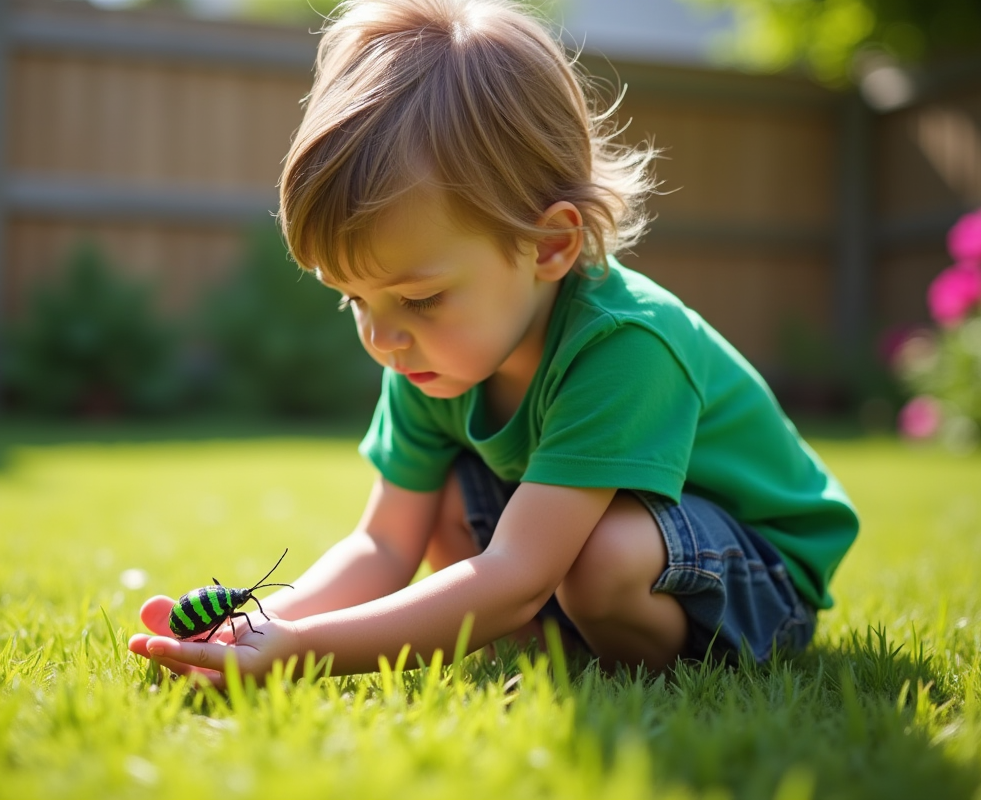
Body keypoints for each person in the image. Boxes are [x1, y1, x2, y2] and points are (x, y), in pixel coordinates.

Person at [127, 0, 859, 682]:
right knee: (449, 496)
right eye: (353, 298)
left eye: (419, 298)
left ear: (550, 245)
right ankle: (549, 656)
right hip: (588, 556)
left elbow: (518, 572)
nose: (382, 337)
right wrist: (255, 634)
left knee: (600, 558)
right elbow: (383, 544)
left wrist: (306, 654)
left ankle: (626, 668)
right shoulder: (426, 359)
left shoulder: (625, 344)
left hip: (755, 575)